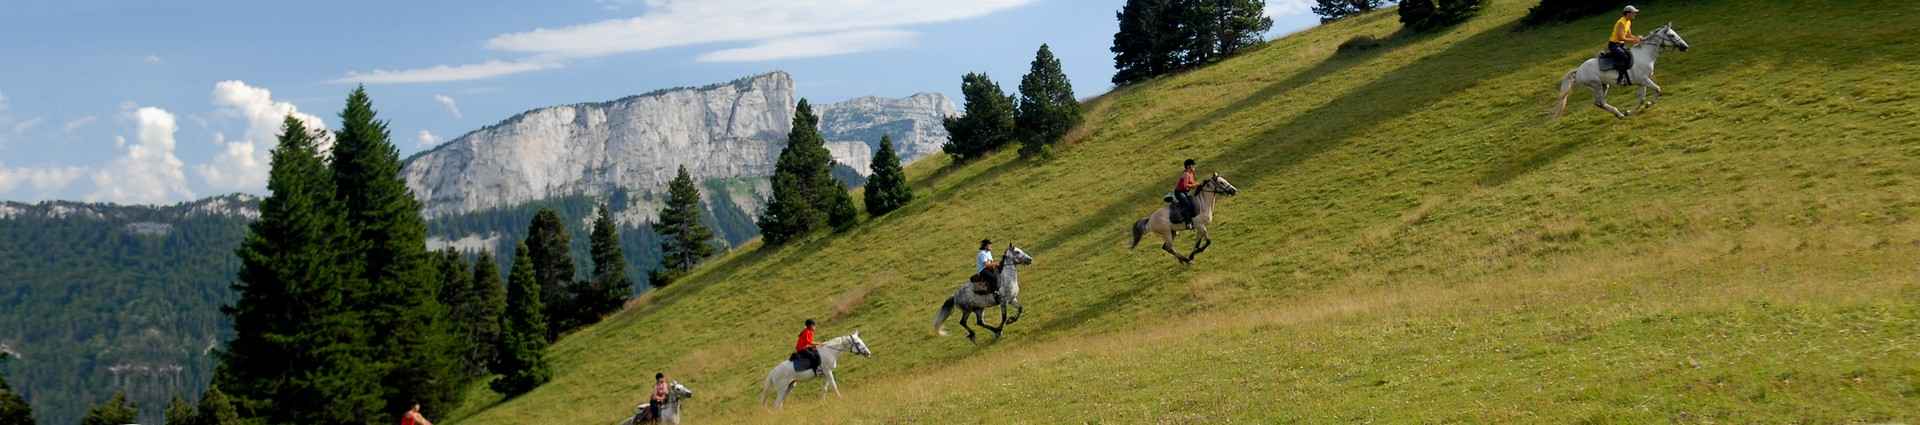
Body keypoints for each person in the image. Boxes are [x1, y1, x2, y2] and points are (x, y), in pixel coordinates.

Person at [1608, 6, 1643, 85]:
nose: (1635, 14)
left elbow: (1629, 35)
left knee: (1631, 55)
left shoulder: (1628, 22)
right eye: (1633, 13)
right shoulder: (1621, 22)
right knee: (1624, 57)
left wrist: (1638, 38)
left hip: (1620, 45)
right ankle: (1620, 78)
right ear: (1628, 13)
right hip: (1614, 45)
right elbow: (1621, 38)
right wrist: (1634, 40)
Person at [1172, 159, 1198, 229]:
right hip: (1179, 192)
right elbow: (1185, 185)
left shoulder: (1191, 174)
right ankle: (1188, 222)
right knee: (1187, 204)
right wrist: (1195, 185)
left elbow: (1192, 184)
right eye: (1193, 166)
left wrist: (1197, 185)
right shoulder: (1186, 174)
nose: (1194, 167)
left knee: (1193, 203)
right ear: (1189, 166)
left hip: (1185, 192)